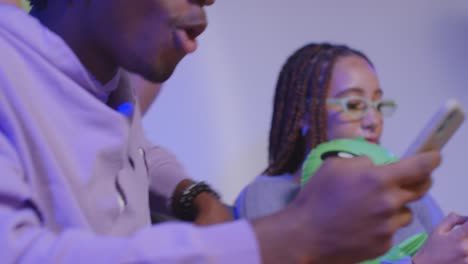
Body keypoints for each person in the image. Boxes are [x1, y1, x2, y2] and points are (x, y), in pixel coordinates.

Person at [0, 1, 441, 263]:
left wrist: (196, 196)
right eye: (352, 103)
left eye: (376, 102)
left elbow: (138, 152)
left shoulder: (114, 85)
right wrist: (295, 233)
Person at [235, 43, 468, 263]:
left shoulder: (407, 192)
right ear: (305, 113)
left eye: (377, 105)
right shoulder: (265, 195)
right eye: (355, 105)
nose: (373, 120)